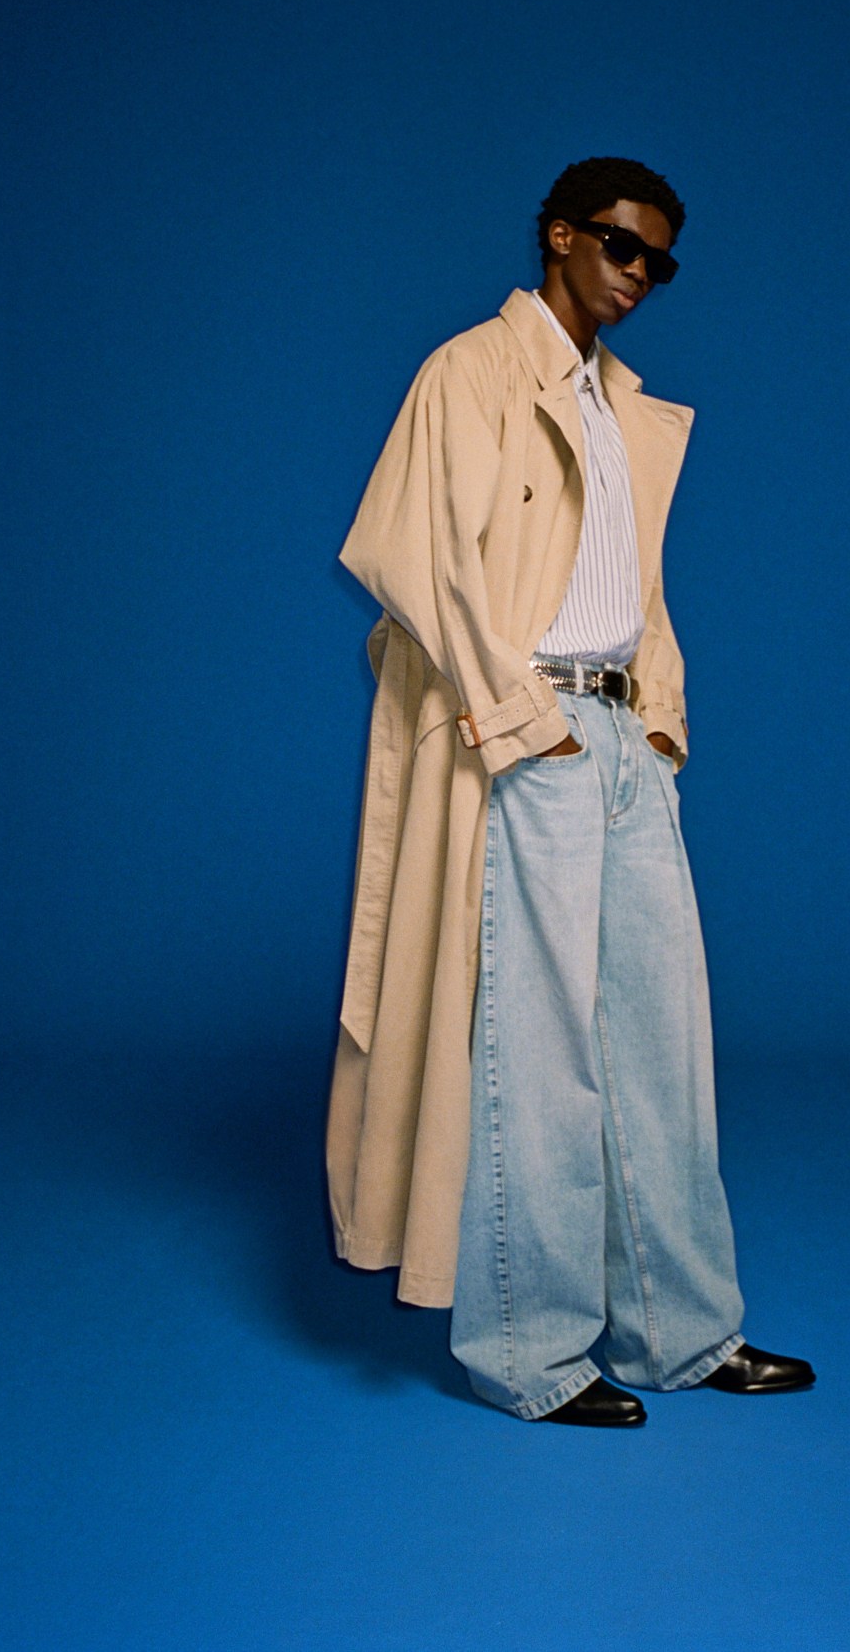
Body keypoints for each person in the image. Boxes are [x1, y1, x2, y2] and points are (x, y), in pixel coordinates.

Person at [327, 156, 815, 1424]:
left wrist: (657, 719)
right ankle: (532, 1353)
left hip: (617, 735)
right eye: (619, 245)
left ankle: (680, 1332)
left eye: (659, 260)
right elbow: (412, 555)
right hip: (530, 728)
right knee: (538, 1053)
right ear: (558, 235)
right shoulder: (470, 371)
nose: (639, 274)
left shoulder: (619, 402)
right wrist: (522, 722)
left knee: (661, 1041)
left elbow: (636, 581)